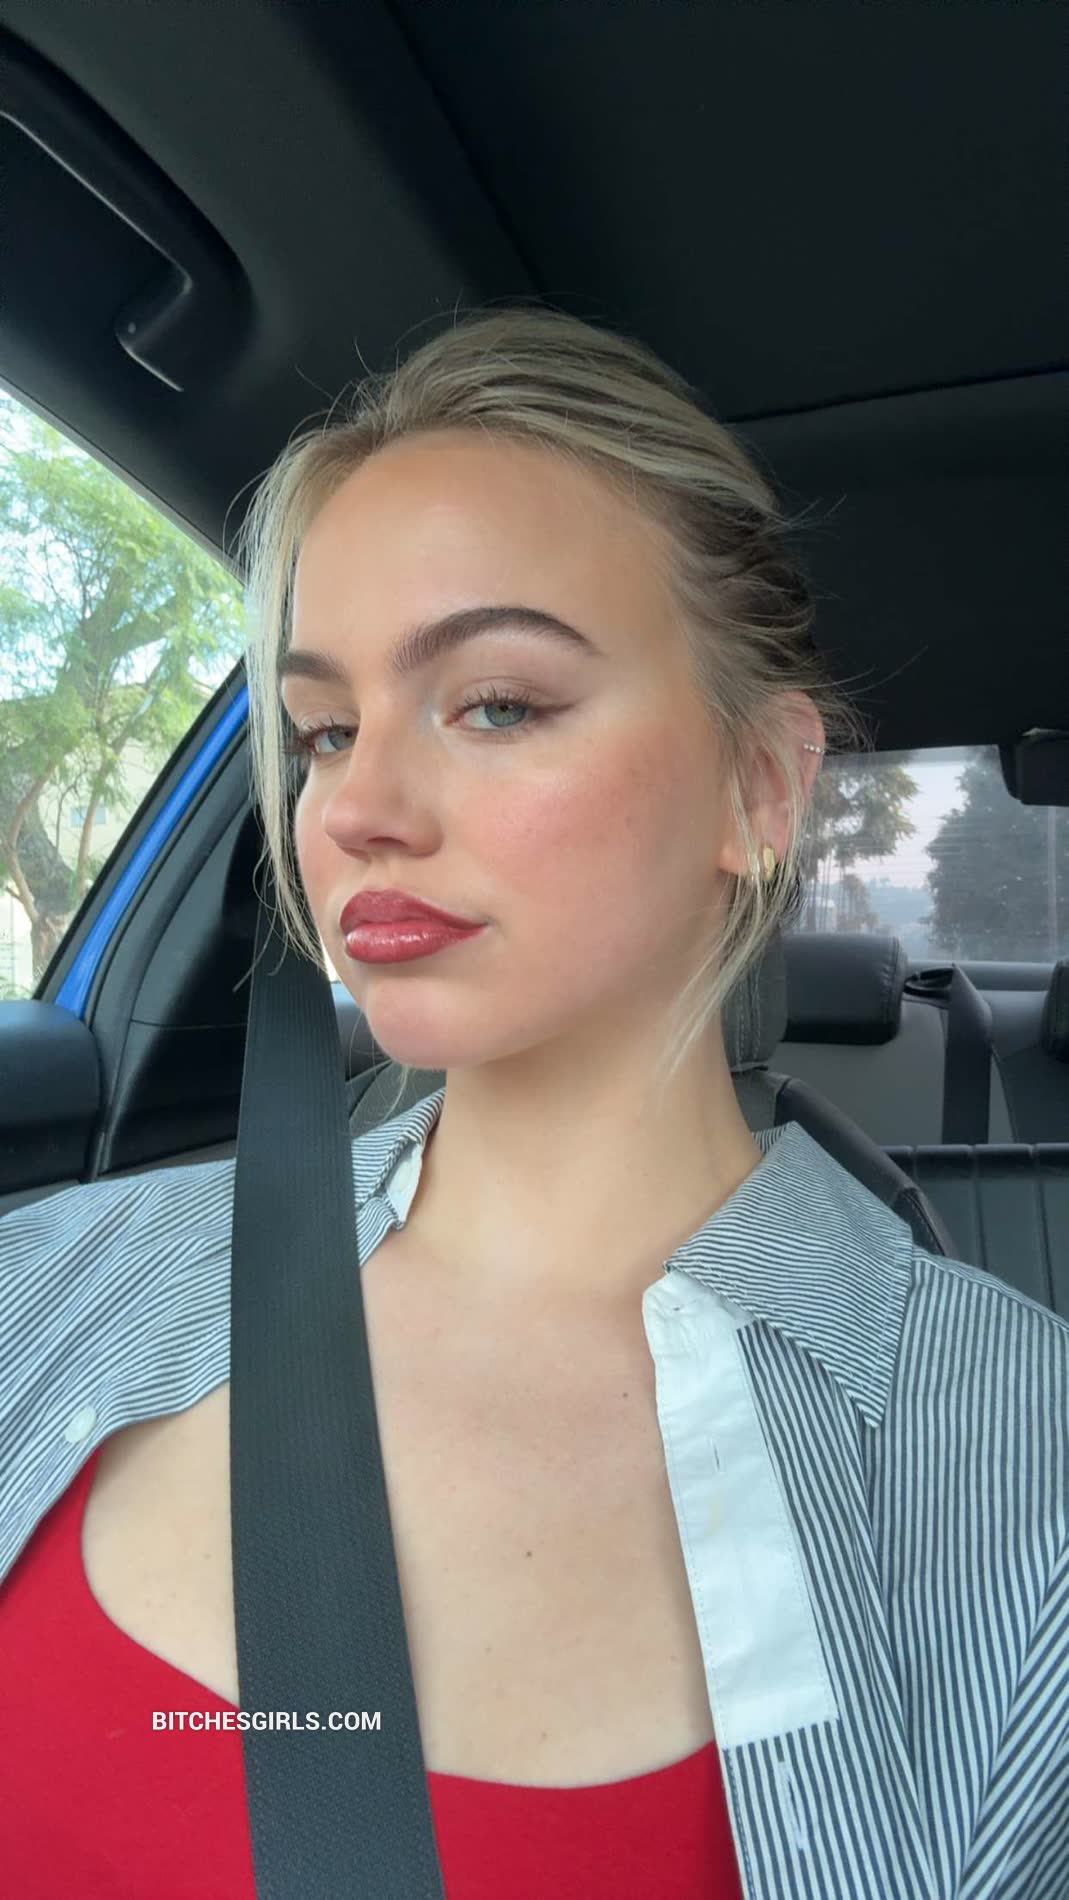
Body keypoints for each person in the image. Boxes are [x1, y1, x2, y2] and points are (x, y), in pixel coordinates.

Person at [2, 303, 1066, 1899]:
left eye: (495, 703)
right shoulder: (47, 1275)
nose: (355, 808)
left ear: (759, 788)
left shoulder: (1019, 1483)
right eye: (322, 731)